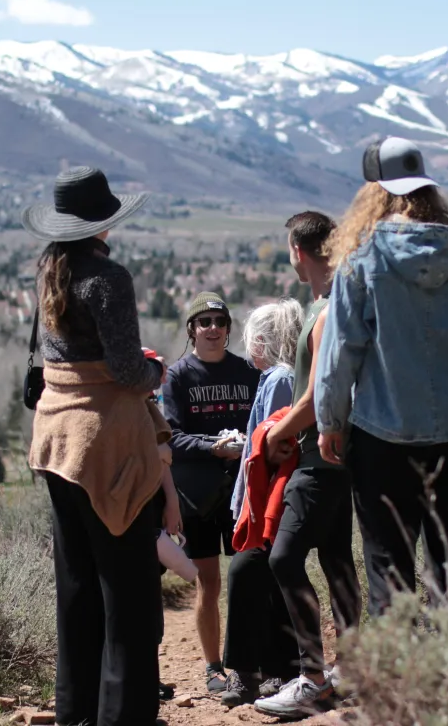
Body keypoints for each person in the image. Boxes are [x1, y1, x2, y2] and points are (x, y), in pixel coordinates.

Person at [314, 137, 448, 620]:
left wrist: (330, 422)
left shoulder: (364, 257)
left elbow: (341, 349)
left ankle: (399, 686)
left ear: (377, 191)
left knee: (388, 571)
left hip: (382, 436)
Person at [22, 166, 171, 726]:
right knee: (128, 593)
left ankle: (75, 712)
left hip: (56, 438)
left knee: (78, 584)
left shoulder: (50, 269)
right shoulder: (109, 278)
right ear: (101, 222)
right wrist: (156, 373)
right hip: (106, 446)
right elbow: (129, 371)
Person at [254, 212, 362, 720]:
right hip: (343, 456)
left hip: (318, 457)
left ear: (299, 249)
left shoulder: (325, 310)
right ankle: (350, 669)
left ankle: (312, 675)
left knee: (284, 558)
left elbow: (317, 390)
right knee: (337, 557)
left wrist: (276, 432)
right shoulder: (341, 298)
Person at [162, 292, 261, 694]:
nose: (214, 329)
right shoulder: (178, 376)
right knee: (208, 581)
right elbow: (170, 437)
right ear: (192, 329)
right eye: (204, 322)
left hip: (243, 491)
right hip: (198, 496)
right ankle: (213, 667)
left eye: (220, 321)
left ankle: (249, 663)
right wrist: (212, 447)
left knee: (248, 577)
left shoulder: (248, 372)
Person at [219, 299, 304, 708]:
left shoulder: (279, 379)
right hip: (270, 500)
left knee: (244, 572)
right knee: (268, 581)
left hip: (271, 500)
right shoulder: (280, 377)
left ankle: (248, 671)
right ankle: (279, 670)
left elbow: (273, 446)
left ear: (263, 341)